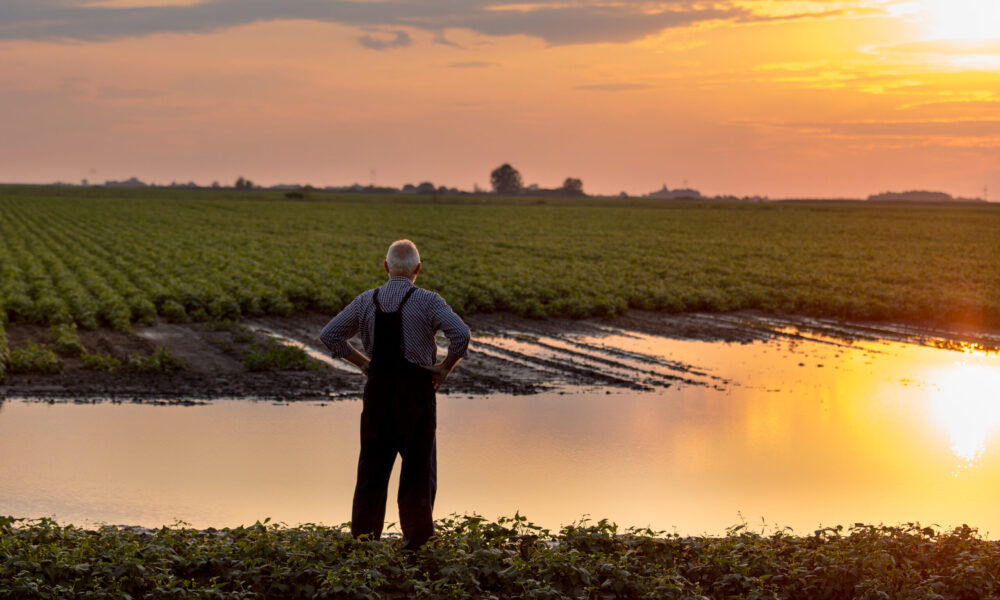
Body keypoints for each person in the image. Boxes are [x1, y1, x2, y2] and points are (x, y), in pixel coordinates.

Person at [319, 239, 470, 550]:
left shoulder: (366, 301)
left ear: (386, 267)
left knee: (372, 468)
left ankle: (364, 542)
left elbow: (330, 334)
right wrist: (444, 368)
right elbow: (462, 334)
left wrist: (363, 363)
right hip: (416, 393)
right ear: (418, 269)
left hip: (378, 393)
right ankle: (417, 544)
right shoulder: (428, 301)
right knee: (418, 467)